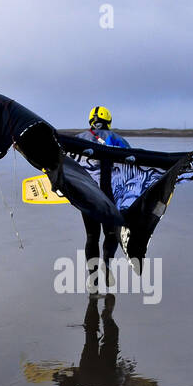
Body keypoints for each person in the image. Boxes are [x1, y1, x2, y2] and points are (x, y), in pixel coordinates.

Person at [75, 106, 132, 293]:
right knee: (110, 234)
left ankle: (93, 279)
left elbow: (63, 159)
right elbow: (132, 165)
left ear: (90, 120)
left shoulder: (78, 139)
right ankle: (106, 266)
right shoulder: (118, 140)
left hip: (87, 194)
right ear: (109, 121)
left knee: (91, 236)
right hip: (110, 197)